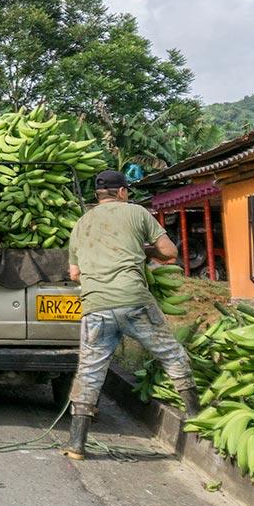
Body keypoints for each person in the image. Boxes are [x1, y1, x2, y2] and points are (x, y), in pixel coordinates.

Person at [64, 169, 200, 460]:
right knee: (171, 354)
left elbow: (75, 274)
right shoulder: (136, 213)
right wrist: (147, 251)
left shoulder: (81, 223)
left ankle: (77, 444)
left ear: (98, 196)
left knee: (89, 372)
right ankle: (197, 416)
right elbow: (169, 251)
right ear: (123, 192)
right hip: (133, 301)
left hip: (95, 307)